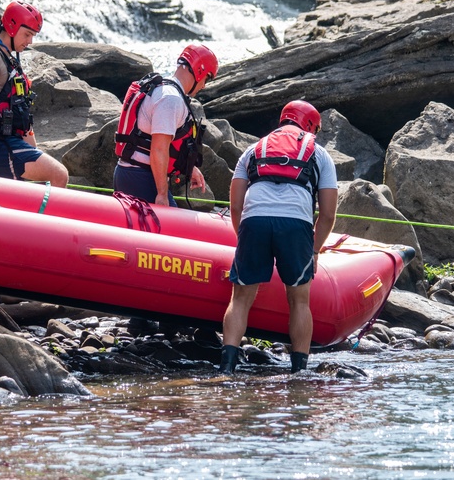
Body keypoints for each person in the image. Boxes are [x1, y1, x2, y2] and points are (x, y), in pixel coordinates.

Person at [219, 100, 338, 374]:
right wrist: (315, 250)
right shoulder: (319, 153)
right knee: (299, 299)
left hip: (254, 219)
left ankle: (226, 368)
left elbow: (236, 206)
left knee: (240, 298)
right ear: (309, 126)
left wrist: (244, 237)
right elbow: (328, 214)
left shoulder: (252, 150)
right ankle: (299, 371)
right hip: (295, 225)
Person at [0, 1, 68, 187]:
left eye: (32, 36)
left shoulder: (10, 60)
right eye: (27, 34)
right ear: (11, 27)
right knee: (59, 175)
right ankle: (49, 218)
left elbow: (19, 109)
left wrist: (32, 150)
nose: (30, 41)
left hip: (9, 144)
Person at [113, 43, 218, 207]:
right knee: (171, 231)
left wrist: (190, 169)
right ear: (199, 72)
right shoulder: (171, 99)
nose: (204, 86)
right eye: (206, 79)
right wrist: (161, 194)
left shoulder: (164, 88)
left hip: (129, 173)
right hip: (140, 177)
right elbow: (159, 149)